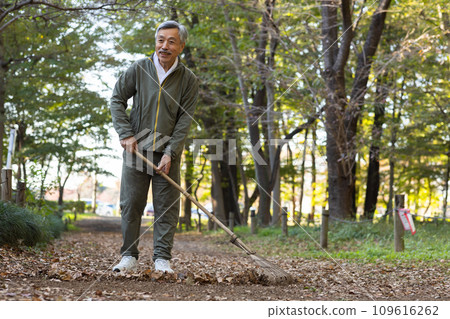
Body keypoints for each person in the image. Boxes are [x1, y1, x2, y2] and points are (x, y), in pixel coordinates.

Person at [109, 20, 198, 273]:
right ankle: (128, 256)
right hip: (136, 148)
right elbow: (117, 99)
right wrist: (126, 134)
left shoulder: (189, 80)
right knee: (131, 203)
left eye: (171, 41)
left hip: (168, 153)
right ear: (155, 42)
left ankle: (162, 259)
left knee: (167, 207)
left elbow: (184, 120)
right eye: (160, 40)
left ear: (181, 45)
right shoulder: (139, 69)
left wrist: (171, 152)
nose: (164, 46)